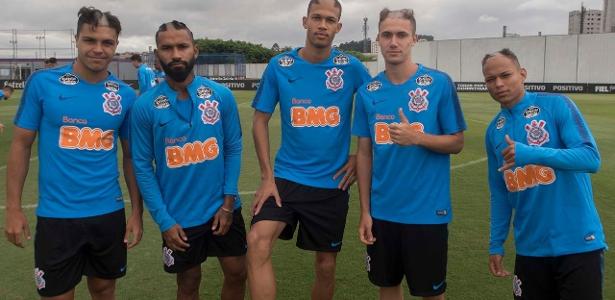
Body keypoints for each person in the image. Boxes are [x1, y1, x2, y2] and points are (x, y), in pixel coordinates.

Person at [4, 6, 142, 299]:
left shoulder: (125, 96)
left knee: (104, 289)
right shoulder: (43, 83)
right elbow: (21, 145)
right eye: (90, 40)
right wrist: (14, 208)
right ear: (76, 41)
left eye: (107, 42)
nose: (98, 49)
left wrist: (137, 212)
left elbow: (131, 157)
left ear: (116, 46)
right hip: (57, 216)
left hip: (108, 212)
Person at [247, 0, 371, 299]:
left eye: (330, 20)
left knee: (326, 265)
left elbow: (376, 107)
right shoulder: (280, 65)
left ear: (338, 27)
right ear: (305, 21)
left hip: (332, 183)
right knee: (257, 242)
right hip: (285, 179)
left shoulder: (351, 67)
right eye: (317, 18)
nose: (322, 25)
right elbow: (259, 121)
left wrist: (358, 154)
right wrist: (267, 176)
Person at [353, 8, 465, 300]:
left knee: (431, 293)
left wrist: (418, 137)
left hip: (428, 212)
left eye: (401, 35)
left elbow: (456, 142)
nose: (394, 41)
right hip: (383, 212)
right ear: (377, 39)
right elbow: (364, 155)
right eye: (387, 35)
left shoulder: (439, 83)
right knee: (387, 286)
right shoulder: (368, 91)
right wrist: (365, 211)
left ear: (414, 39)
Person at [130, 21, 246, 300]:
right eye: (167, 48)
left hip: (223, 209)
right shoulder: (145, 106)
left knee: (237, 272)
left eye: (182, 46)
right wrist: (164, 220)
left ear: (195, 50)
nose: (176, 54)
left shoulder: (221, 96)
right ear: (157, 55)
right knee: (189, 281)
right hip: (178, 216)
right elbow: (143, 166)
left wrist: (228, 203)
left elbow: (233, 147)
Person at [483, 48, 606, 300]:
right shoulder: (493, 130)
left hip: (578, 243)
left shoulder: (556, 105)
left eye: (505, 75)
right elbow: (499, 193)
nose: (498, 84)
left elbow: (590, 158)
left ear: (523, 74)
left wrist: (532, 153)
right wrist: (496, 243)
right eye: (490, 79)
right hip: (530, 249)